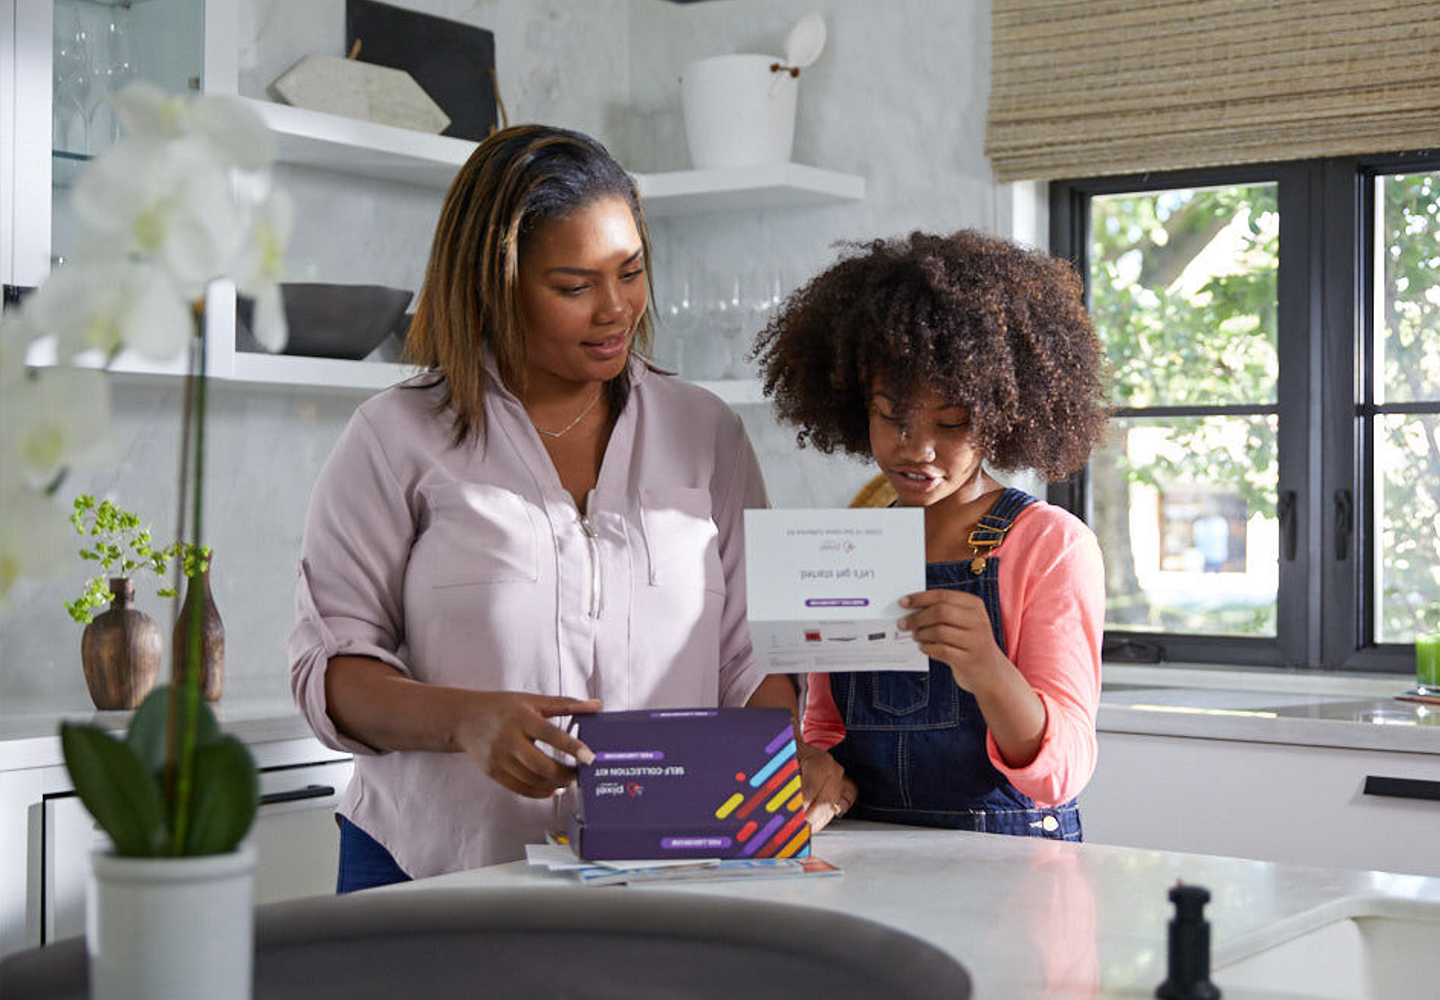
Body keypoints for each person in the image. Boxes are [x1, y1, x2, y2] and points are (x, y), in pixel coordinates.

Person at [288, 124, 797, 890]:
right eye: (574, 286)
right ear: (495, 284)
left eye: (631, 272)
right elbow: (330, 671)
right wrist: (464, 720)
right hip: (427, 874)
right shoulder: (395, 437)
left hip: (664, 878)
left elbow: (755, 663)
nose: (616, 309)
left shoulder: (707, 434)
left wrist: (779, 778)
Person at [757, 230, 1109, 839]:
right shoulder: (850, 548)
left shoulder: (1049, 546)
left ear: (1004, 414)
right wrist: (813, 764)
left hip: (1009, 864)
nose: (915, 448)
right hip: (873, 850)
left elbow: (1064, 774)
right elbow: (825, 730)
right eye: (891, 416)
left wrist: (989, 670)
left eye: (951, 424)